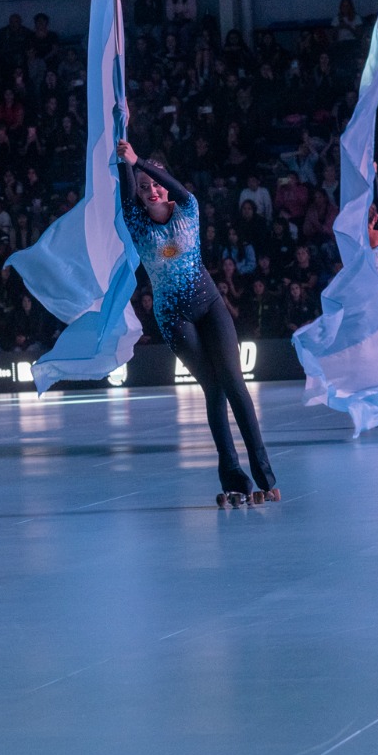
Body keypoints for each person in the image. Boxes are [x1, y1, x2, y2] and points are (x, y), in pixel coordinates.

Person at [117, 139, 277, 507]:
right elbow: (127, 185)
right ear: (139, 197)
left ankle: (266, 476)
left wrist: (138, 160)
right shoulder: (137, 224)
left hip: (209, 305)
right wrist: (125, 157)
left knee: (235, 384)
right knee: (213, 389)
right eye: (144, 189)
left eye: (155, 184)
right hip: (174, 319)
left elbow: (171, 183)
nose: (152, 191)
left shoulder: (188, 207)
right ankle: (234, 479)